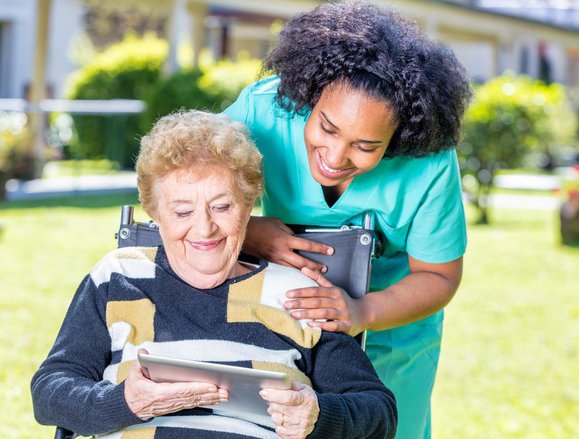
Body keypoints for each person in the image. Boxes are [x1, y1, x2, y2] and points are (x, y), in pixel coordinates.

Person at [31, 110, 397, 439]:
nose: (204, 229)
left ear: (249, 206)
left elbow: (379, 411)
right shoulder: (119, 277)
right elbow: (49, 392)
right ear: (154, 212)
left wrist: (318, 416)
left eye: (222, 206)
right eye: (181, 211)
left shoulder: (297, 296)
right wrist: (124, 402)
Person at [223, 2, 472, 438]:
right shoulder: (262, 111)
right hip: (284, 309)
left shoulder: (428, 161)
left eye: (366, 146)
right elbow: (182, 191)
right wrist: (251, 233)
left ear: (401, 139)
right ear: (310, 97)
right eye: (327, 127)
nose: (335, 158)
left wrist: (363, 310)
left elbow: (439, 275)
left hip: (392, 322)